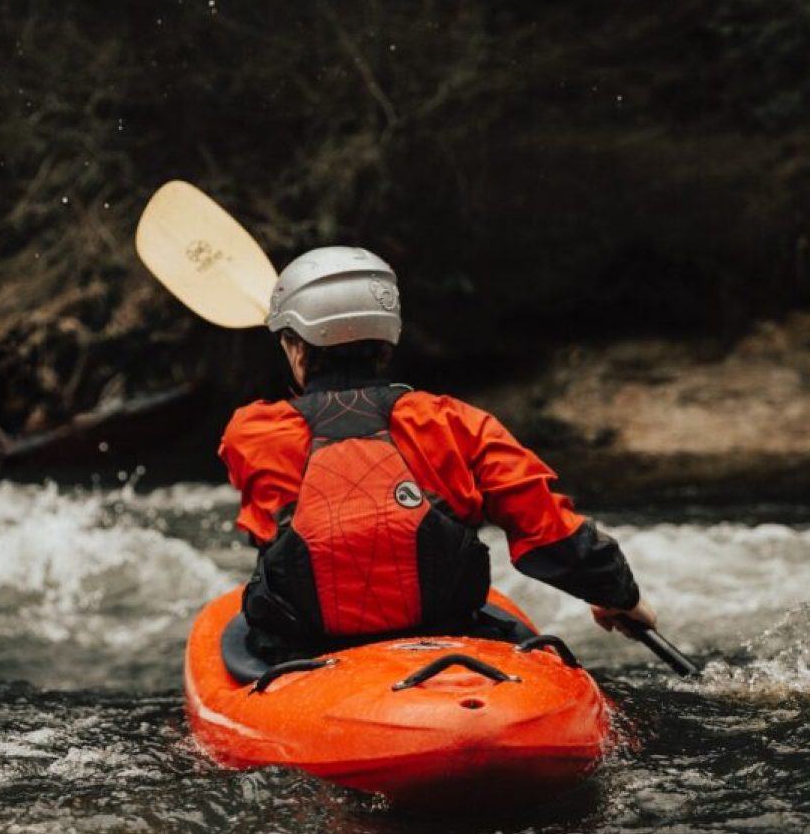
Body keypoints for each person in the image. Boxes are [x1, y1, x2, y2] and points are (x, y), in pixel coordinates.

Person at [218, 246, 657, 656]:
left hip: (306, 651)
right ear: (388, 343)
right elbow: (551, 533)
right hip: (447, 638)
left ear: (295, 349)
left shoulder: (252, 433)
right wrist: (619, 596)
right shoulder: (456, 423)